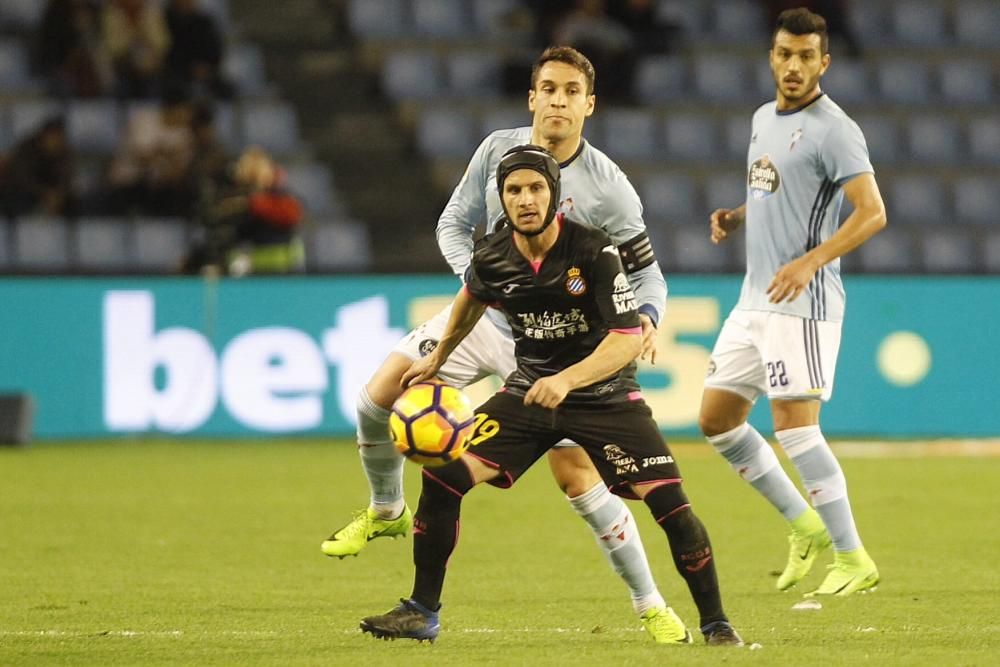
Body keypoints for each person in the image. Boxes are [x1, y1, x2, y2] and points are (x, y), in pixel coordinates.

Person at [323, 47, 682, 640]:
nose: (558, 100)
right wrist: (483, 282)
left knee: (577, 479)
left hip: (555, 346)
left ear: (587, 105)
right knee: (378, 394)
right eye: (549, 89)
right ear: (532, 97)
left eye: (571, 91)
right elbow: (451, 223)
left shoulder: (609, 187)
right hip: (484, 318)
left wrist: (645, 314)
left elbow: (648, 272)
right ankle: (387, 510)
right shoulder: (496, 150)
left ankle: (650, 604)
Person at [360, 145, 742, 646]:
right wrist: (438, 356)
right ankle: (422, 611)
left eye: (535, 188)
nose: (525, 199)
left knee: (670, 505)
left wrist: (567, 380)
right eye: (514, 190)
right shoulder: (494, 254)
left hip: (604, 396)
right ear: (503, 198)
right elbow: (471, 299)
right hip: (529, 395)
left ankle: (716, 625)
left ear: (554, 195)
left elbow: (626, 339)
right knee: (444, 478)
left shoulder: (594, 249)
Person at [699, 7, 886, 597]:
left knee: (794, 428)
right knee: (716, 420)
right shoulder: (762, 119)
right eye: (786, 54)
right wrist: (736, 215)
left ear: (823, 62)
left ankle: (854, 557)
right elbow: (776, 189)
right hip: (753, 300)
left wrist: (810, 262)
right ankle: (805, 525)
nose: (795, 65)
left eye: (808, 56)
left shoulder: (836, 129)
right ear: (772, 58)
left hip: (802, 305)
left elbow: (873, 211)